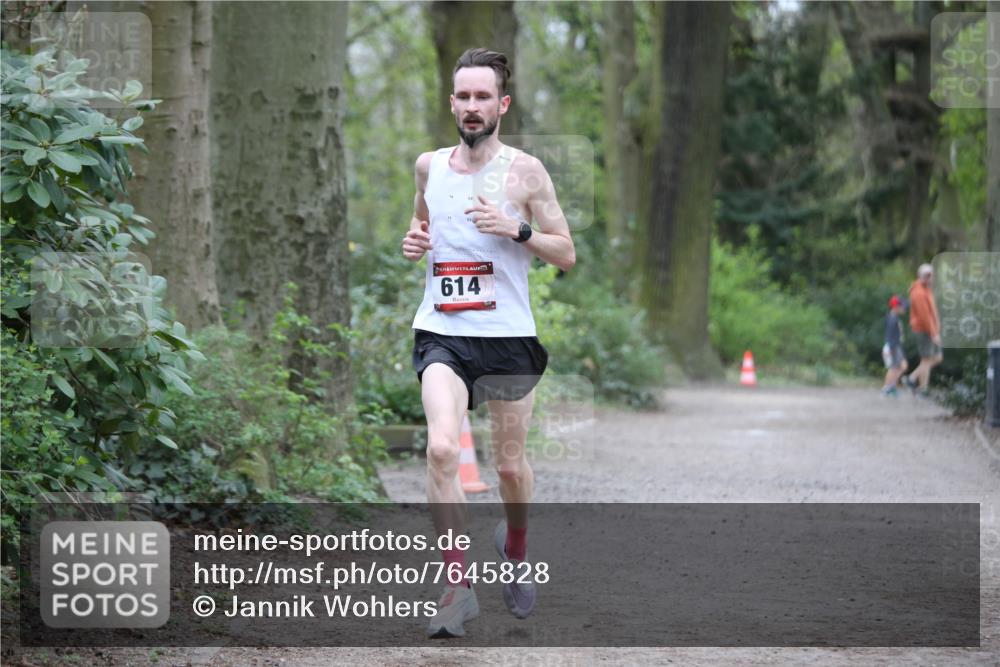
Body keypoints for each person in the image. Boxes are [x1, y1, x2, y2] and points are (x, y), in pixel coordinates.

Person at [401, 47, 575, 638]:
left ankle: (517, 547)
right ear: (451, 102)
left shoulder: (526, 172)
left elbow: (567, 252)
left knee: (508, 468)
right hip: (443, 332)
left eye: (483, 97)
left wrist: (518, 229)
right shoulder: (428, 166)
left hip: (506, 337)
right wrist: (415, 241)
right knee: (443, 451)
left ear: (502, 104)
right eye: (463, 97)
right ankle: (457, 586)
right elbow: (421, 222)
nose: (472, 107)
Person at [904, 264, 943, 397]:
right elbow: (924, 316)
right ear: (920, 276)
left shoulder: (927, 289)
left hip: (932, 329)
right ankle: (923, 389)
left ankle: (911, 378)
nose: (929, 278)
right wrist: (933, 333)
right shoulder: (918, 292)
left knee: (937, 357)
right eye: (926, 275)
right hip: (924, 329)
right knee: (926, 359)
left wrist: (936, 329)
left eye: (931, 275)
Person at [880, 295, 908, 397]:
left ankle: (891, 387)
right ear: (896, 306)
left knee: (899, 367)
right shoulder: (892, 319)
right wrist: (890, 348)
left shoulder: (893, 317)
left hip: (895, 346)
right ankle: (887, 388)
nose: (905, 308)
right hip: (894, 346)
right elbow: (890, 335)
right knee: (895, 367)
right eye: (903, 306)